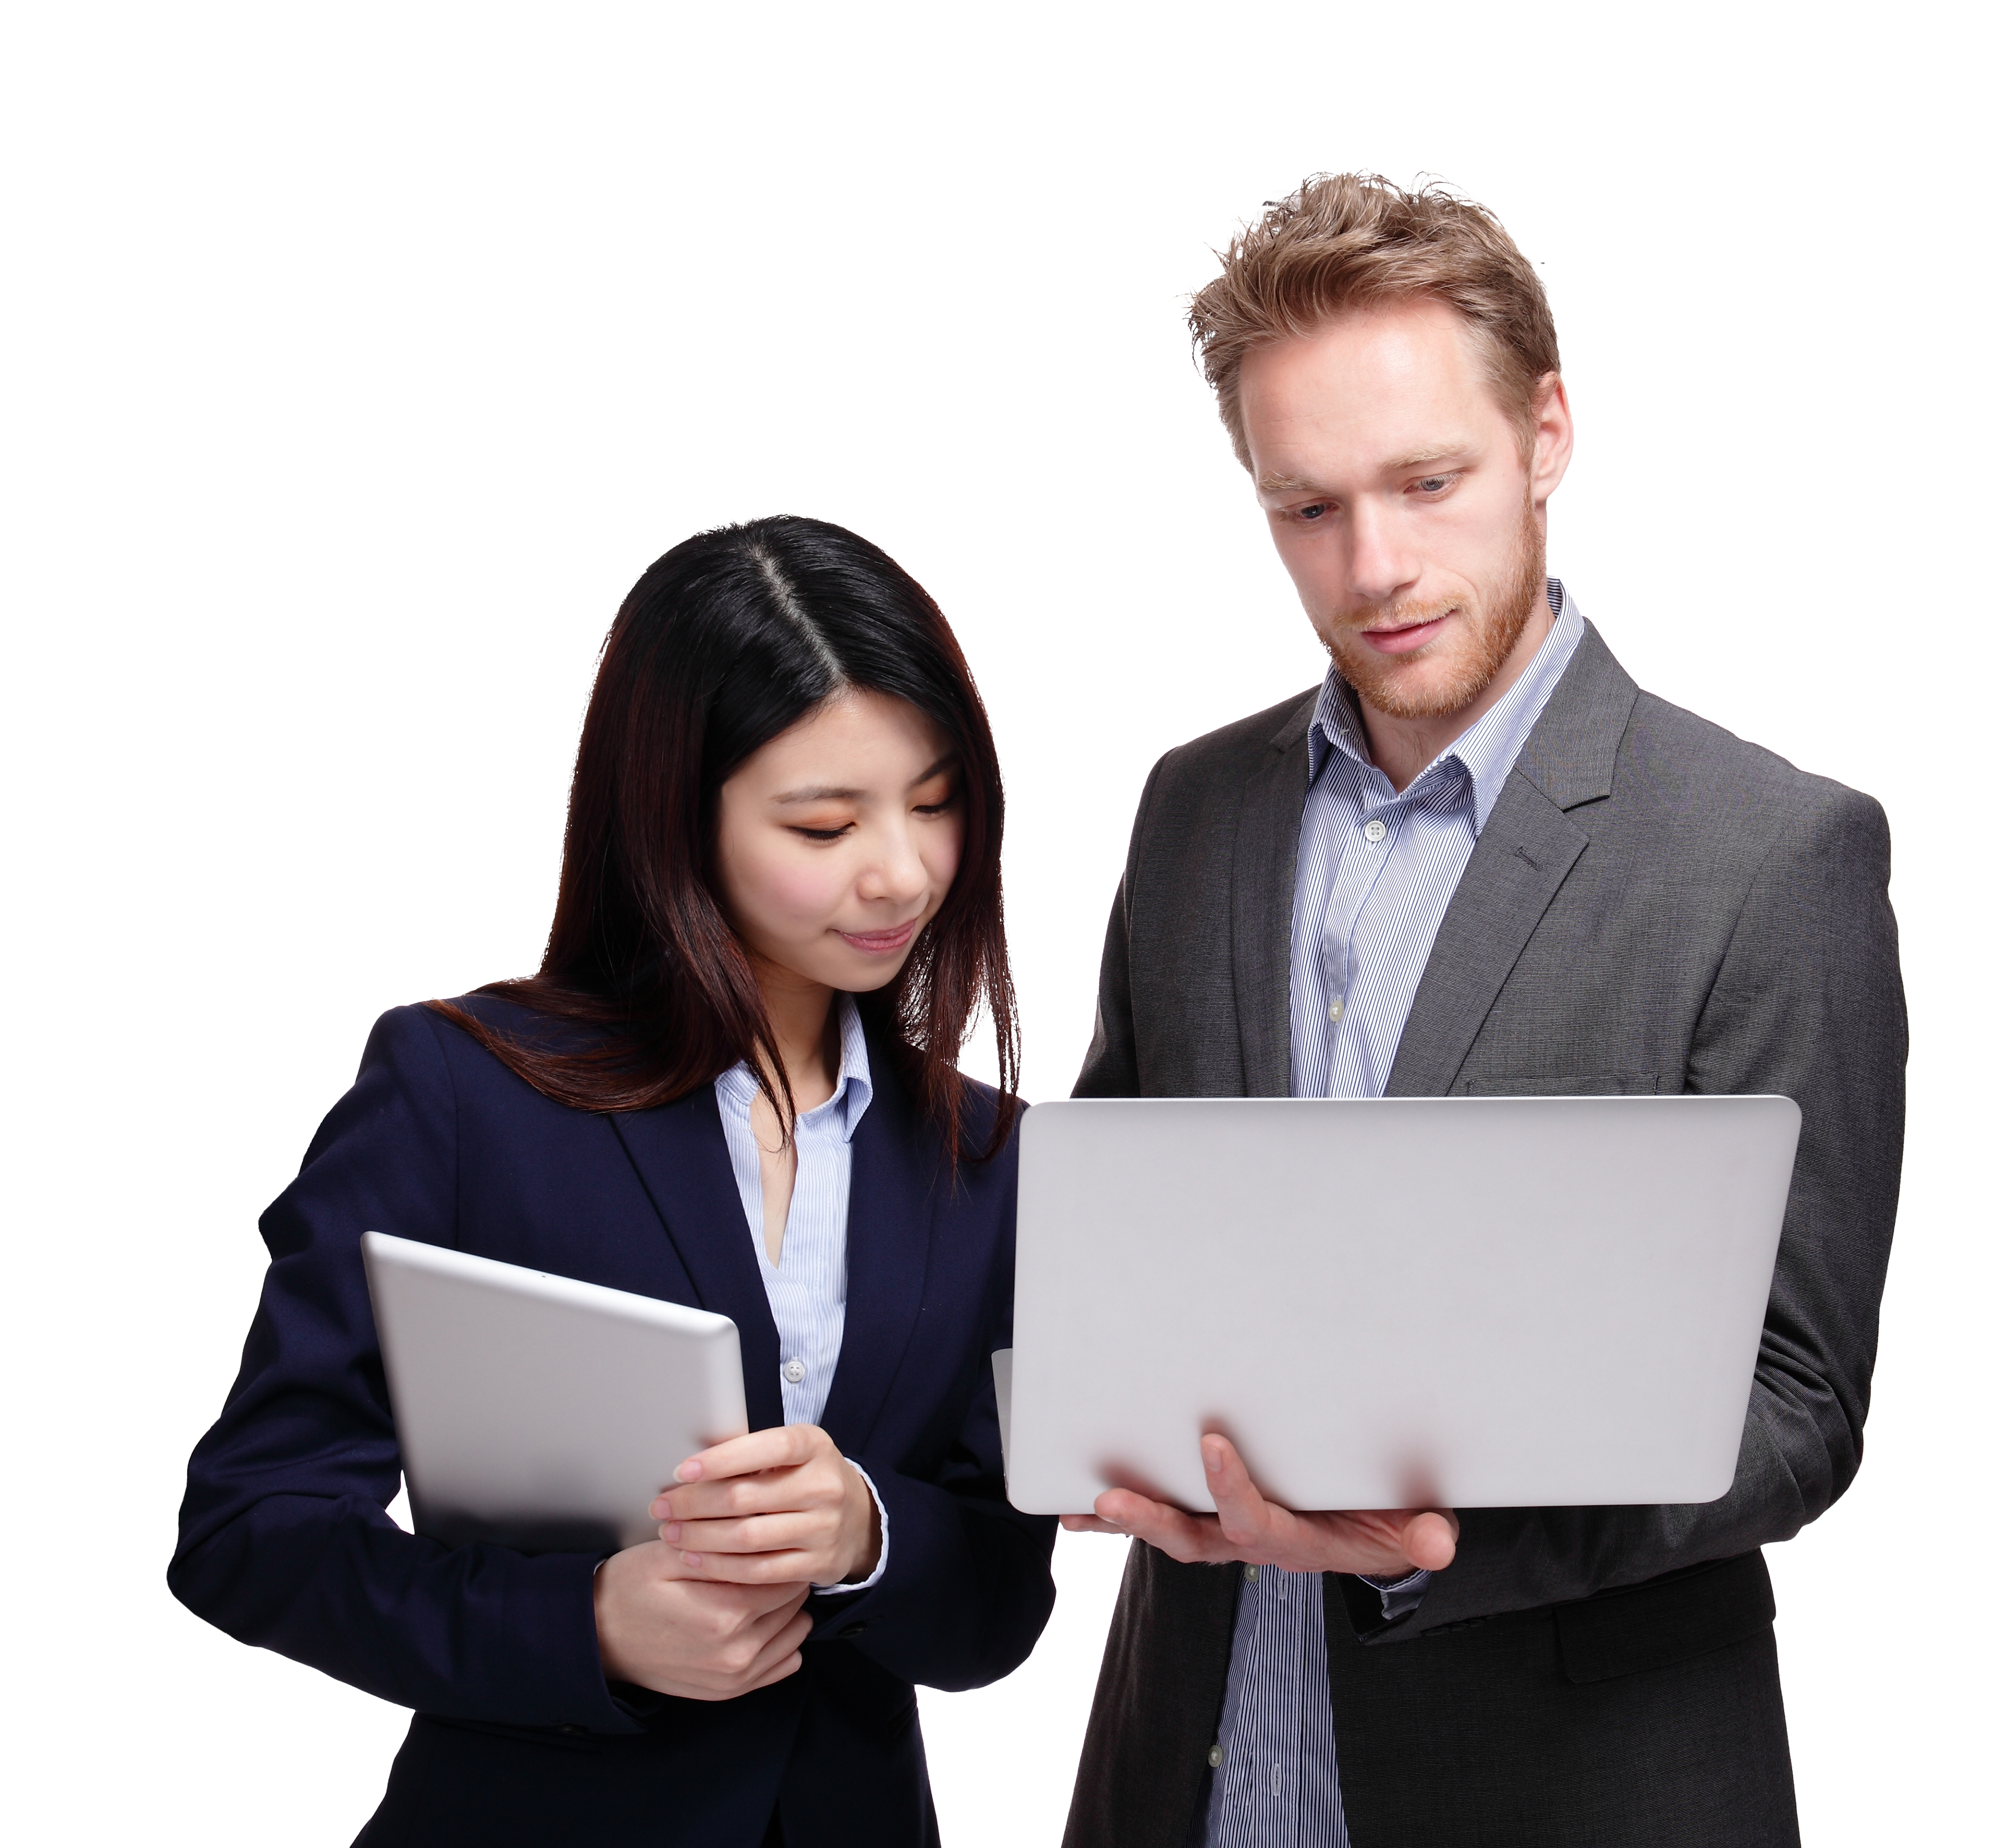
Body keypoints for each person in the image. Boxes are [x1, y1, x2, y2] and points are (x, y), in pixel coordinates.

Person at [1058, 176, 1908, 1847]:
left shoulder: (1767, 852)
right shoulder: (1194, 810)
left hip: (1572, 1786)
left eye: (1427, 482)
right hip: (1196, 1769)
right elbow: (1107, 1226)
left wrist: (1441, 1529)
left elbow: (1799, 1402)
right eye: (1305, 507)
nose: (1374, 567)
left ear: (1546, 433)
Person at [170, 517, 1055, 1846]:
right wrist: (582, 1625)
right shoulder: (463, 1092)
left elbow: (995, 1608)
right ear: (671, 818)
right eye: (823, 821)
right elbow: (252, 1526)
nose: (904, 870)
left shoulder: (988, 1156)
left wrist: (864, 1531)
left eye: (935, 801)